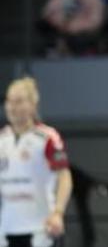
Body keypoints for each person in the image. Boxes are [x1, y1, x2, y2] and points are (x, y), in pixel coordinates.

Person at [0, 77, 73, 247]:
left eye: (18, 102)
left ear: (33, 105)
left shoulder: (47, 138)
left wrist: (58, 213)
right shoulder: (2, 139)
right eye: (9, 101)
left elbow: (64, 176)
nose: (12, 107)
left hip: (40, 229)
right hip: (6, 229)